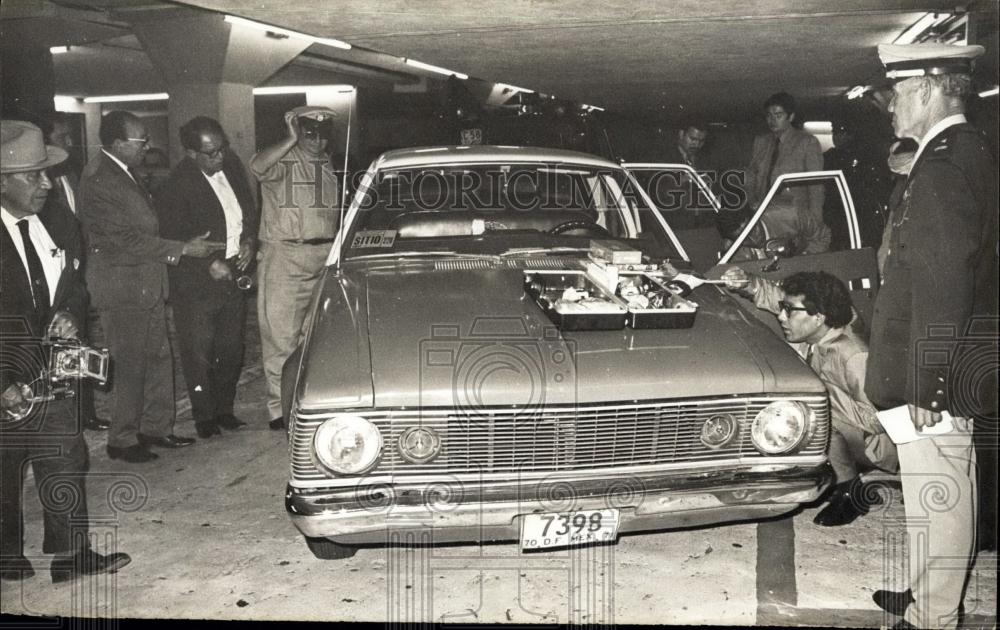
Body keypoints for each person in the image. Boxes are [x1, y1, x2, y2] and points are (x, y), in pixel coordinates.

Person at [866, 43, 997, 630]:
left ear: (925, 89)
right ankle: (930, 597)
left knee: (939, 497)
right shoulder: (956, 153)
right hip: (945, 357)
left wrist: (929, 379)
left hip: (937, 368)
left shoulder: (945, 164)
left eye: (897, 91)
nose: (891, 104)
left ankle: (933, 619)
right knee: (940, 491)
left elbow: (944, 280)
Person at [1, 119, 131, 583]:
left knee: (64, 455)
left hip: (53, 367)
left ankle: (70, 557)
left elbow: (75, 280)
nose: (46, 183)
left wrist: (71, 313)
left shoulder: (58, 218)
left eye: (46, 172)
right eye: (32, 175)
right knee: (4, 466)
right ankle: (5, 555)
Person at [77, 111, 224, 463]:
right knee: (130, 364)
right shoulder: (100, 179)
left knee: (157, 357)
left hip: (145, 283)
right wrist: (182, 248)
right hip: (123, 286)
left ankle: (156, 429)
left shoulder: (124, 173)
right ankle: (122, 439)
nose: (147, 146)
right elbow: (123, 239)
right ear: (117, 144)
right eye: (140, 141)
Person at [721, 268, 898, 526]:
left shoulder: (853, 354)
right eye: (783, 308)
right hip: (852, 428)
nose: (781, 316)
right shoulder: (818, 329)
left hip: (874, 444)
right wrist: (747, 283)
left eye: (789, 311)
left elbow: (880, 419)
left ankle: (850, 491)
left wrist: (822, 393)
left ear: (818, 317)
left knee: (810, 409)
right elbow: (778, 296)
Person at [155, 117, 259, 439]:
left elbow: (250, 211)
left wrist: (249, 242)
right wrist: (208, 264)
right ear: (191, 153)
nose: (219, 158)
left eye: (221, 149)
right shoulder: (174, 186)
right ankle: (204, 417)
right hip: (196, 281)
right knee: (199, 350)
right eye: (210, 153)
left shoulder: (232, 166)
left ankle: (224, 410)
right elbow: (172, 235)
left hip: (234, 269)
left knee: (231, 346)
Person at [249, 106, 340, 431]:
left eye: (322, 135)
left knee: (311, 335)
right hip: (286, 254)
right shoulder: (285, 159)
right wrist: (289, 137)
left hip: (323, 254)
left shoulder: (325, 162)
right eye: (309, 134)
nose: (316, 141)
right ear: (298, 132)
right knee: (280, 336)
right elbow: (258, 166)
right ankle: (279, 410)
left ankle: (302, 401)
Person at [39, 113, 110, 432]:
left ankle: (85, 412)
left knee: (78, 338)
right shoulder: (39, 183)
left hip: (74, 267)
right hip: (49, 271)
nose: (69, 143)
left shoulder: (71, 172)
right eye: (61, 138)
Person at [745, 92, 829, 254]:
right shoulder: (761, 142)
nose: (772, 120)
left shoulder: (807, 142)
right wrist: (752, 203)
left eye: (778, 115)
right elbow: (751, 176)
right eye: (769, 115)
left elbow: (816, 187)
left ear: (790, 117)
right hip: (765, 216)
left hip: (794, 217)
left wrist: (815, 223)